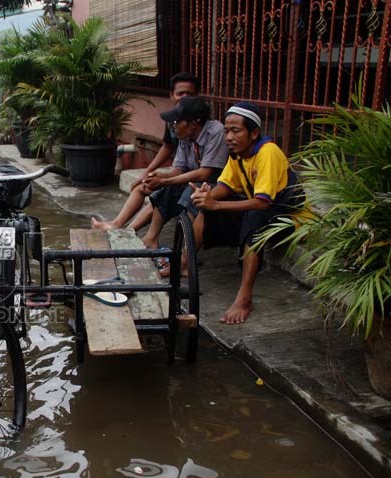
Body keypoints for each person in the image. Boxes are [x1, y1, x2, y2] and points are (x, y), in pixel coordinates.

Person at [183, 102, 306, 324]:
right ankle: (182, 263)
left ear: (254, 132)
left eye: (236, 131)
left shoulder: (268, 153)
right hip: (266, 213)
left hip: (292, 220)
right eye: (227, 131)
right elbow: (227, 186)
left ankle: (245, 297)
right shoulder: (238, 153)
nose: (229, 137)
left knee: (253, 217)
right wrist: (207, 196)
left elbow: (261, 204)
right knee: (205, 210)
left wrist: (216, 205)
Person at [92, 72, 200, 232]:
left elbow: (205, 171)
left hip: (196, 177)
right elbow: (168, 146)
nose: (184, 97)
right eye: (180, 93)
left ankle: (130, 233)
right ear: (171, 95)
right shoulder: (173, 120)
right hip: (182, 170)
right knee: (143, 184)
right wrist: (148, 172)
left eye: (189, 94)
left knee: (161, 194)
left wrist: (164, 179)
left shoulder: (199, 122)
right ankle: (117, 225)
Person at [138, 96, 229, 253]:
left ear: (193, 124)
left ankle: (185, 257)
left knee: (191, 194)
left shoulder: (217, 132)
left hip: (217, 183)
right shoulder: (185, 135)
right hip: (196, 180)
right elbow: (179, 169)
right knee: (167, 189)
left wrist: (167, 180)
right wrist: (161, 176)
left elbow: (204, 173)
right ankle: (150, 238)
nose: (173, 126)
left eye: (177, 122)